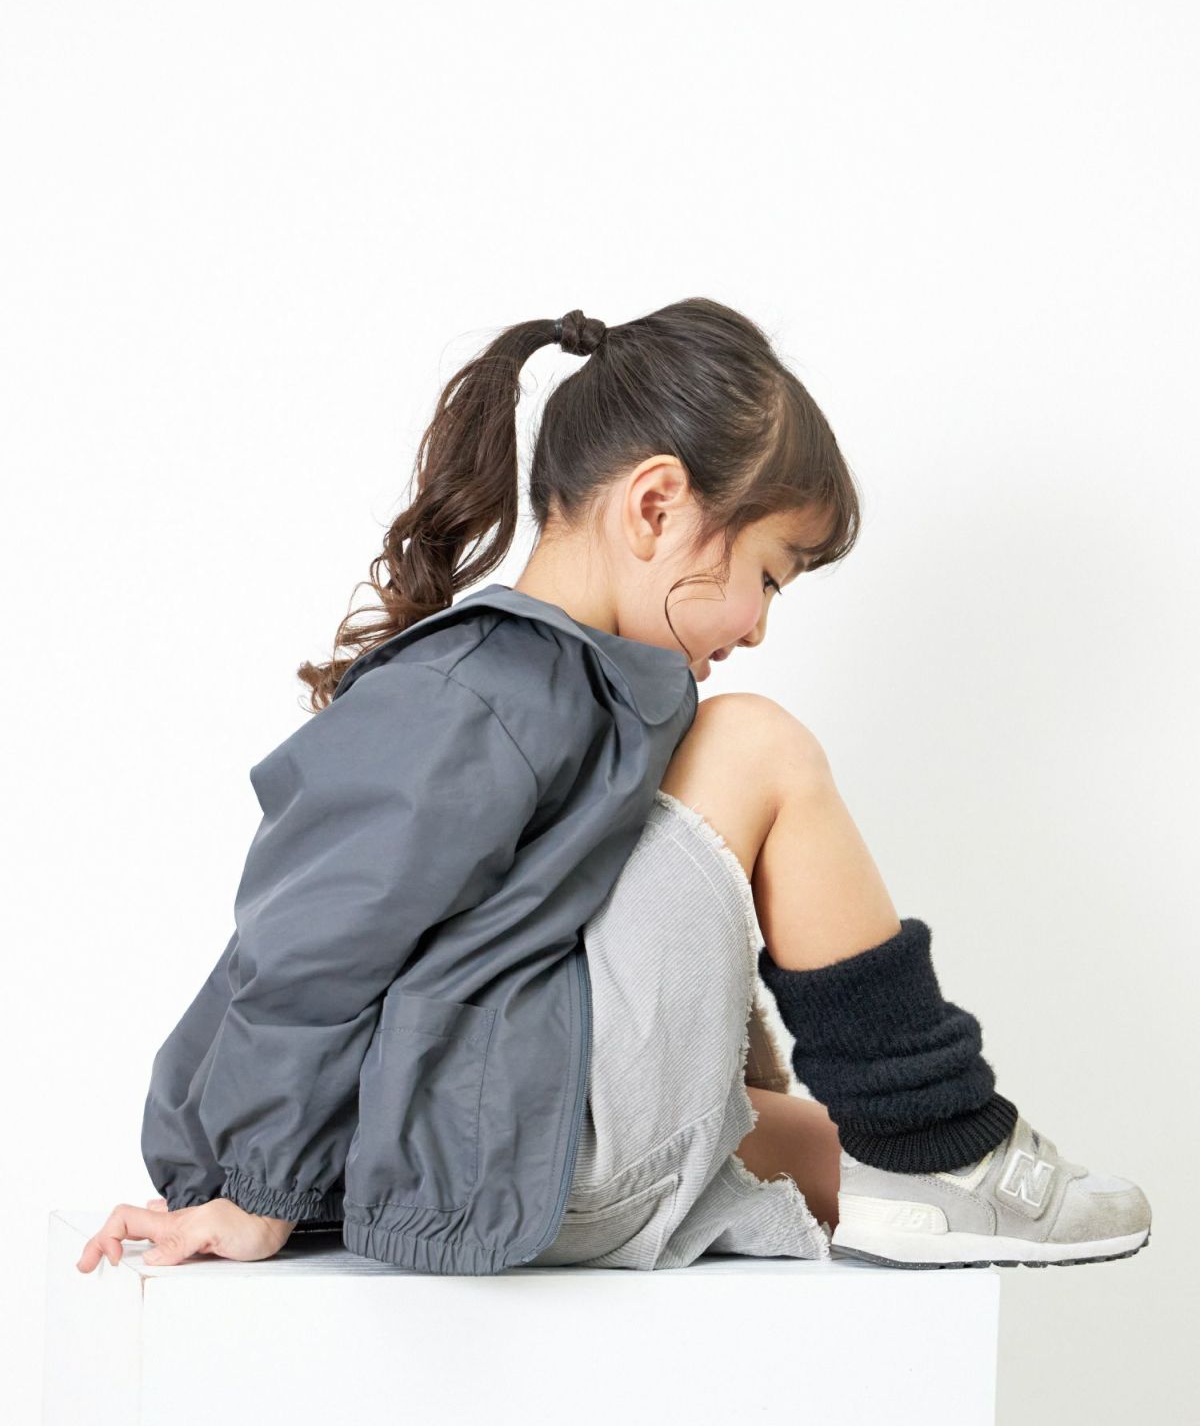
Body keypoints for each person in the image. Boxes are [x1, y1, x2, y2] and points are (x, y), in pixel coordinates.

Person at [77, 299, 1150, 1275]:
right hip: (506, 1137)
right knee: (758, 744)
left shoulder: (583, 685)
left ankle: (923, 1162)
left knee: (858, 1170)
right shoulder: (478, 688)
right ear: (656, 506)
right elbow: (312, 938)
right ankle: (943, 1141)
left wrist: (752, 1091)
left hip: (521, 1131)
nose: (757, 626)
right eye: (767, 576)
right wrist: (256, 1191)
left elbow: (631, 915)